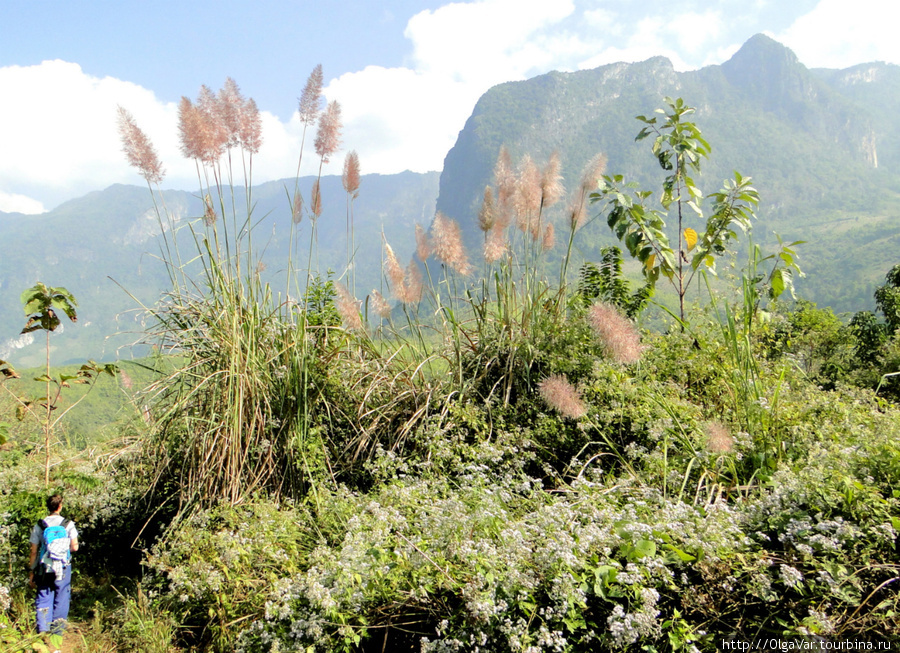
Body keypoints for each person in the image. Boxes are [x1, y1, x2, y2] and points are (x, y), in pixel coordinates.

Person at [28, 494, 79, 634]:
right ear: (60, 506)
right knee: (61, 597)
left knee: (44, 595)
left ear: (48, 507)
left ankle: (43, 631)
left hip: (44, 566)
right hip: (63, 566)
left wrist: (31, 571)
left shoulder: (40, 525)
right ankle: (57, 632)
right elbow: (75, 547)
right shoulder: (68, 524)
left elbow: (33, 552)